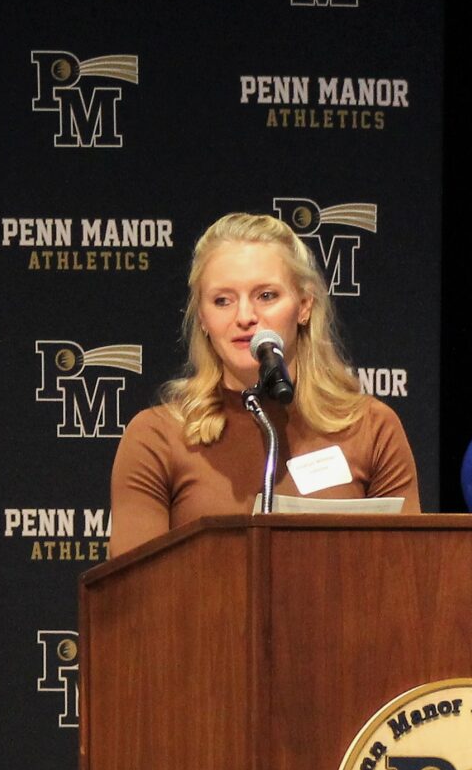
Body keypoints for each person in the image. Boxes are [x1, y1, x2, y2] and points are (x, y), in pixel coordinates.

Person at [108, 213, 420, 557]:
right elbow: (130, 594)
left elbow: (408, 579)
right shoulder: (157, 437)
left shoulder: (372, 428)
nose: (244, 316)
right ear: (202, 318)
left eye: (266, 295)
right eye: (222, 300)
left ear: (304, 305)